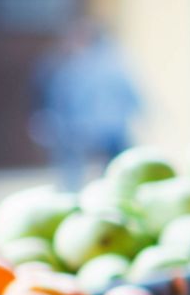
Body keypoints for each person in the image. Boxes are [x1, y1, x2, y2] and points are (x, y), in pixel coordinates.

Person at [33, 18, 142, 188]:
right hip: (94, 128)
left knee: (106, 168)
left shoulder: (81, 66)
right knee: (98, 171)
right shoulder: (69, 65)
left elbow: (60, 97)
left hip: (97, 128)